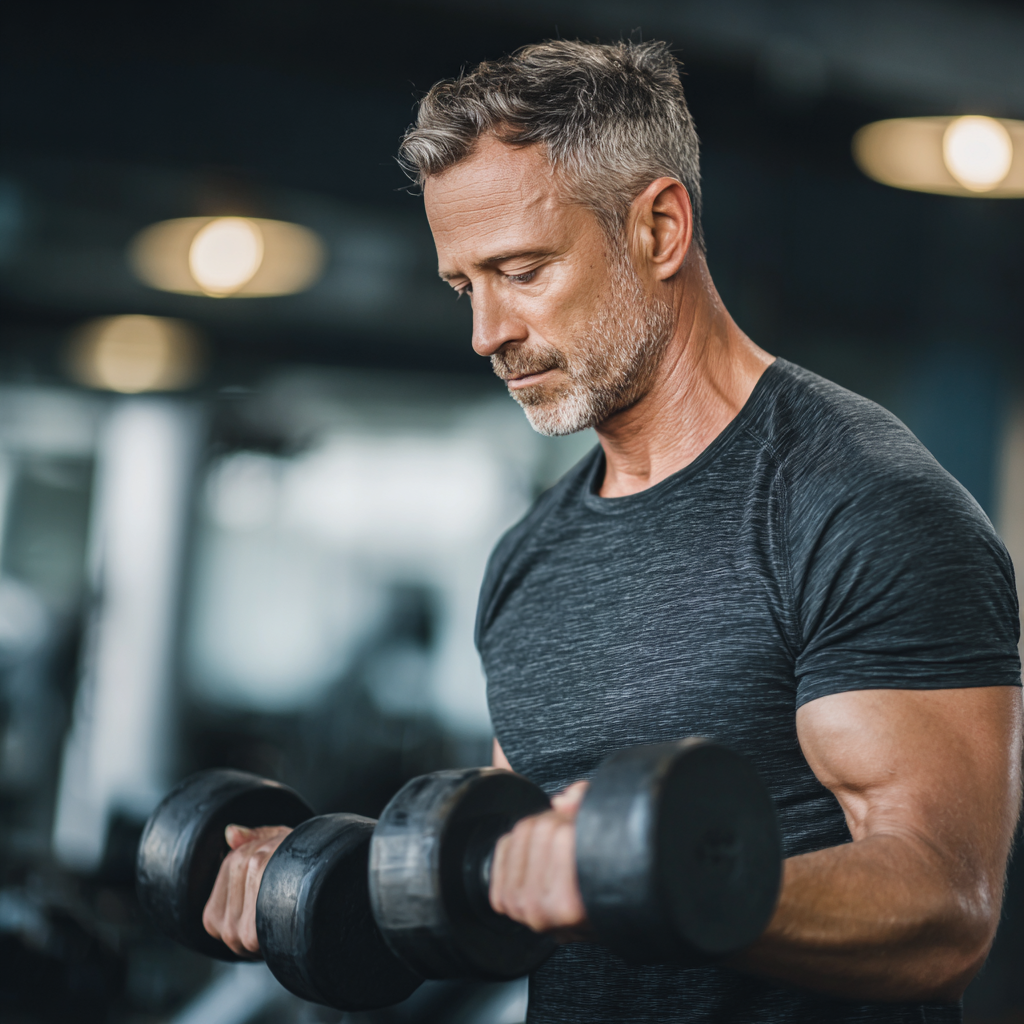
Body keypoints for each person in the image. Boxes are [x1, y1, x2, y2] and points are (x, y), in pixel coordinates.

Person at [202, 40, 1023, 1023]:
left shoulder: (858, 506)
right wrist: (328, 877)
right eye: (465, 284)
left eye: (522, 270)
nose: (487, 332)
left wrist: (649, 884)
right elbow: (515, 884)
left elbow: (941, 908)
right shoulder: (532, 554)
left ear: (659, 227)